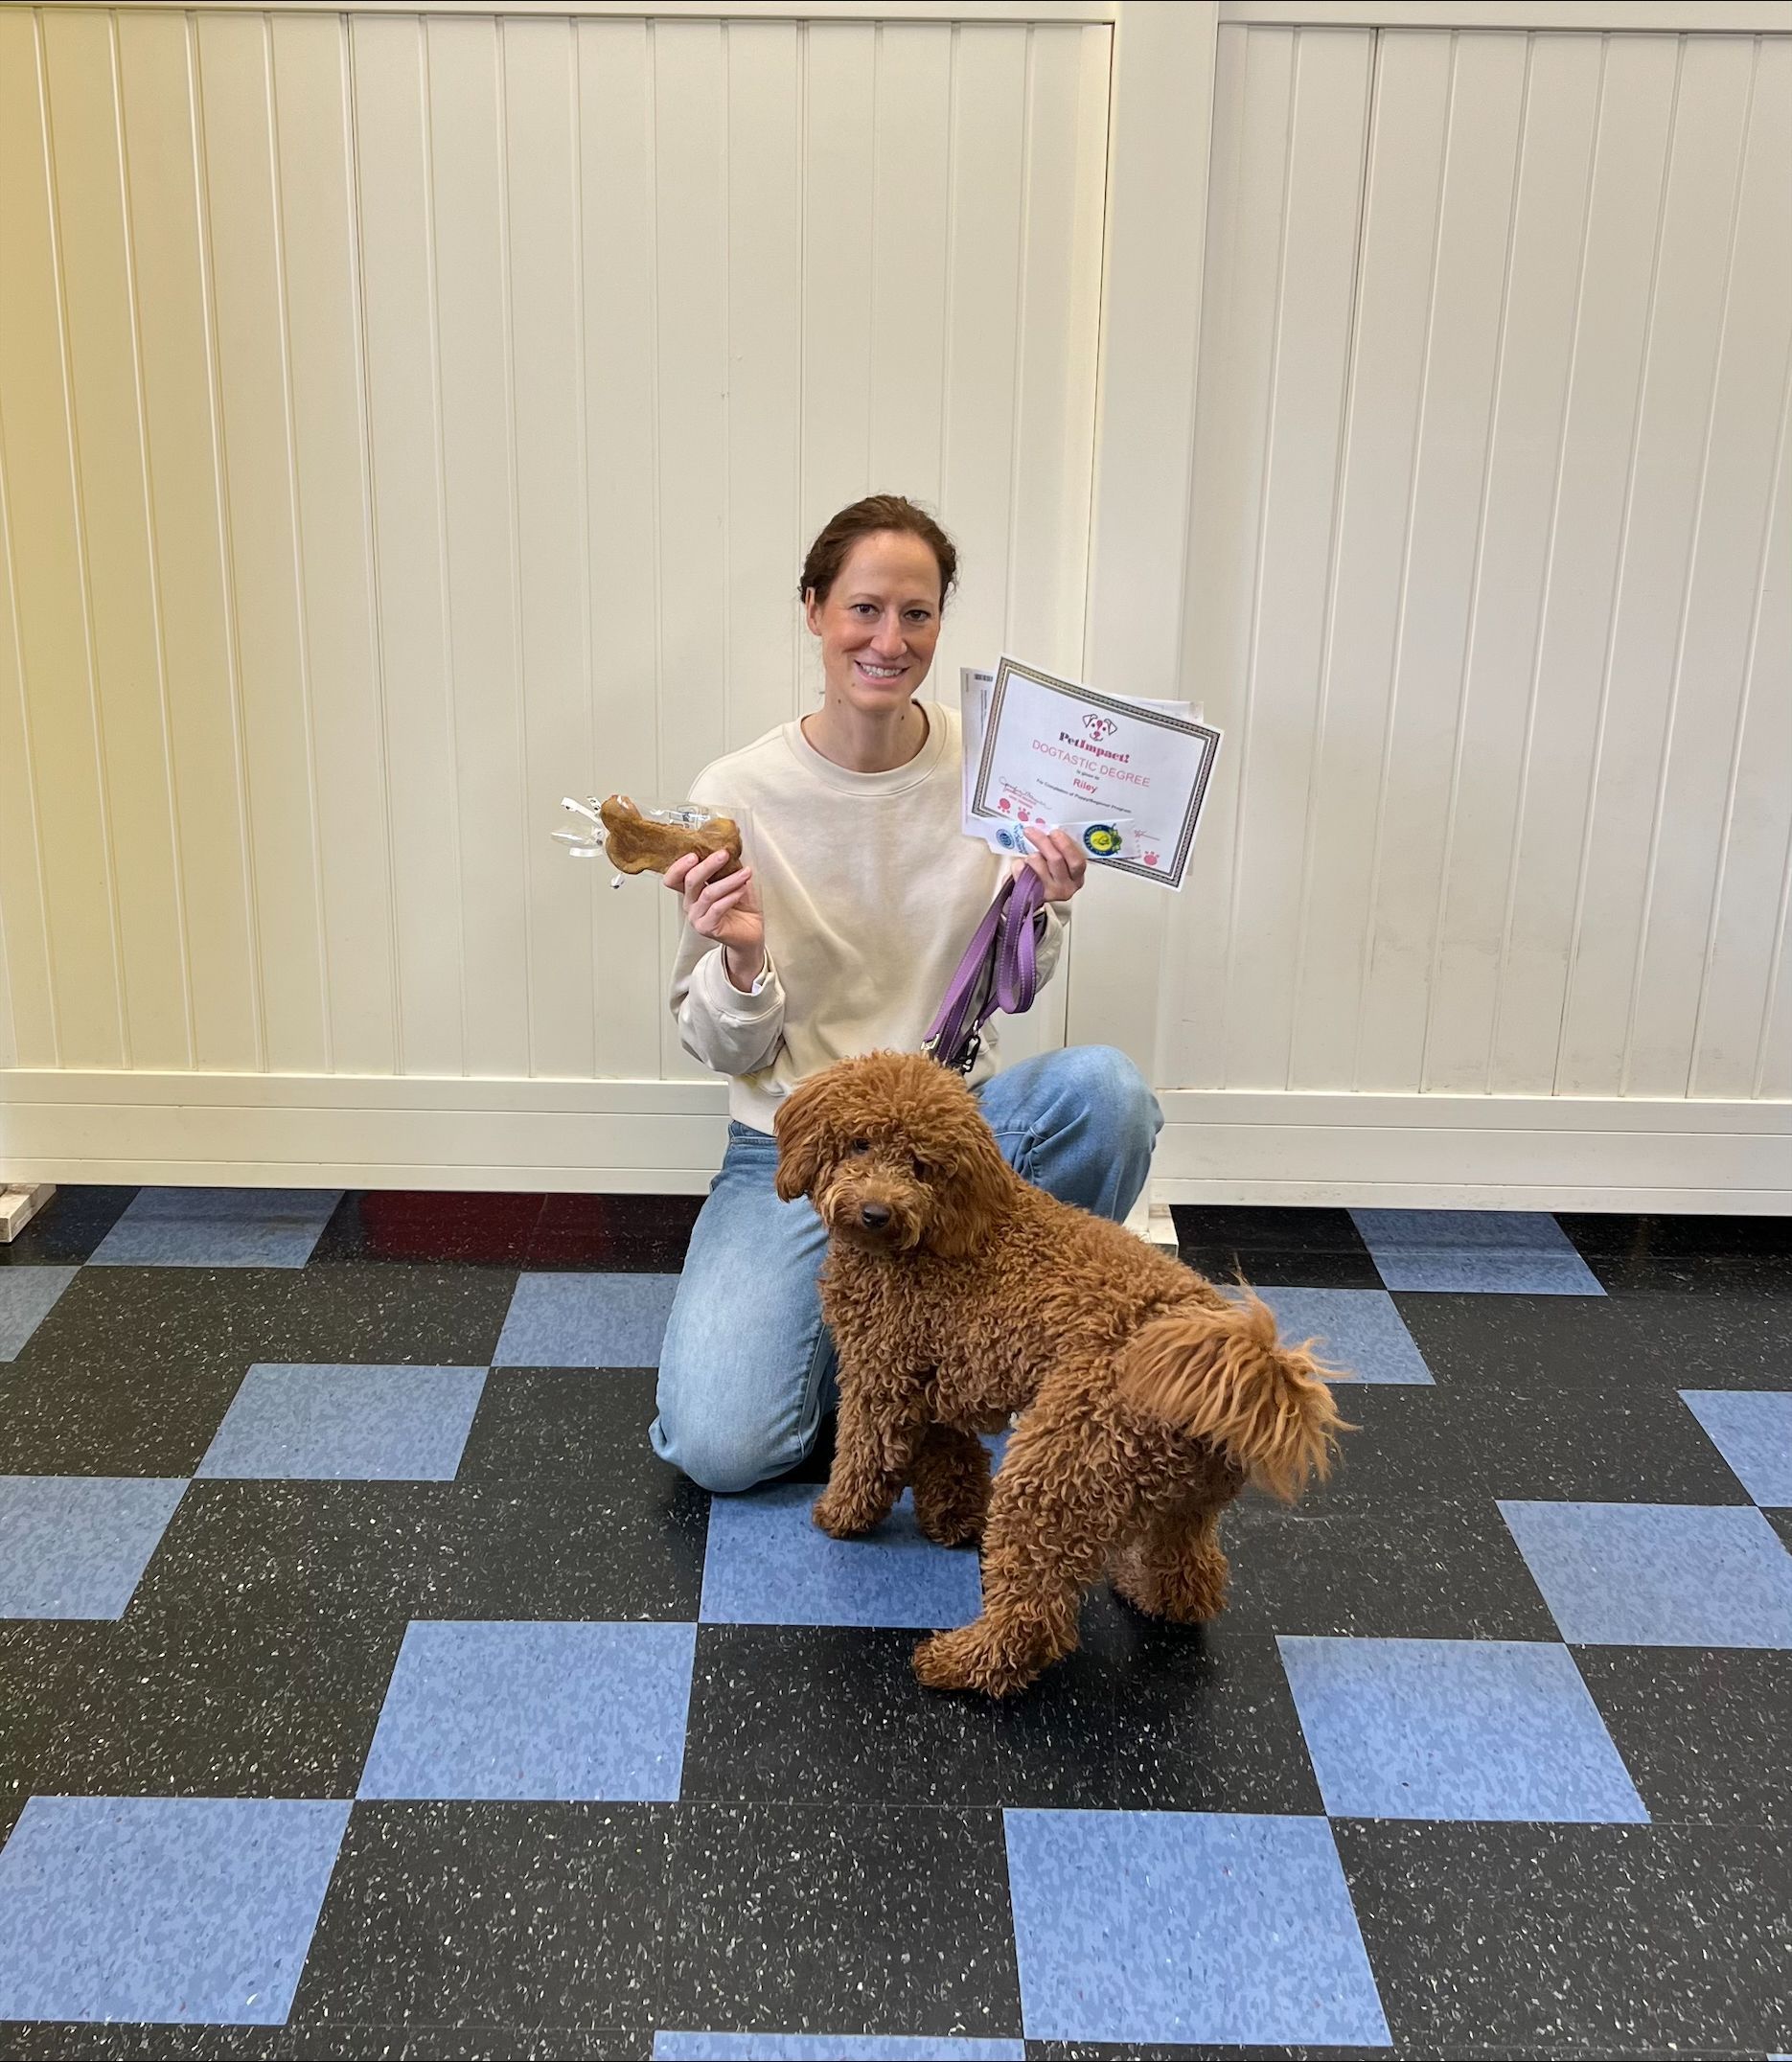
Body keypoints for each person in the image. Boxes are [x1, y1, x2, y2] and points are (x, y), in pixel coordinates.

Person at [650, 494, 1162, 1492]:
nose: (890, 640)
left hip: (951, 1126)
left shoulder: (997, 769)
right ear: (813, 610)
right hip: (791, 1142)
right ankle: (909, 1351)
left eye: (917, 614)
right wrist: (744, 960)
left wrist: (1043, 904)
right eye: (864, 609)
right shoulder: (736, 791)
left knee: (1108, 1093)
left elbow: (1006, 992)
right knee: (723, 1448)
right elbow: (719, 1047)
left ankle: (996, 1345)